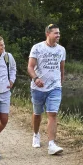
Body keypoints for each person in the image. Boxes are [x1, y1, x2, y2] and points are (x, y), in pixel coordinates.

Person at [28, 24, 66, 155]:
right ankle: (36, 134)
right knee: (37, 113)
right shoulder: (37, 48)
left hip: (55, 87)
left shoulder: (61, 50)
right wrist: (35, 78)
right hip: (38, 87)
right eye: (55, 33)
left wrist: (60, 81)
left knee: (52, 114)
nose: (58, 35)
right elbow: (30, 67)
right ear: (48, 34)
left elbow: (62, 68)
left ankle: (51, 144)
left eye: (59, 33)